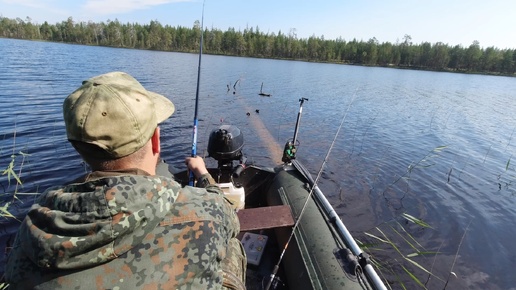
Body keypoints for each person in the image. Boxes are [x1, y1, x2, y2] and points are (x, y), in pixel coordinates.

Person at [4, 71, 246, 289]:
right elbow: (229, 216)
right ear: (156, 140)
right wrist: (203, 175)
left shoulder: (33, 226)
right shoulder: (203, 208)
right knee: (230, 244)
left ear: (79, 146)